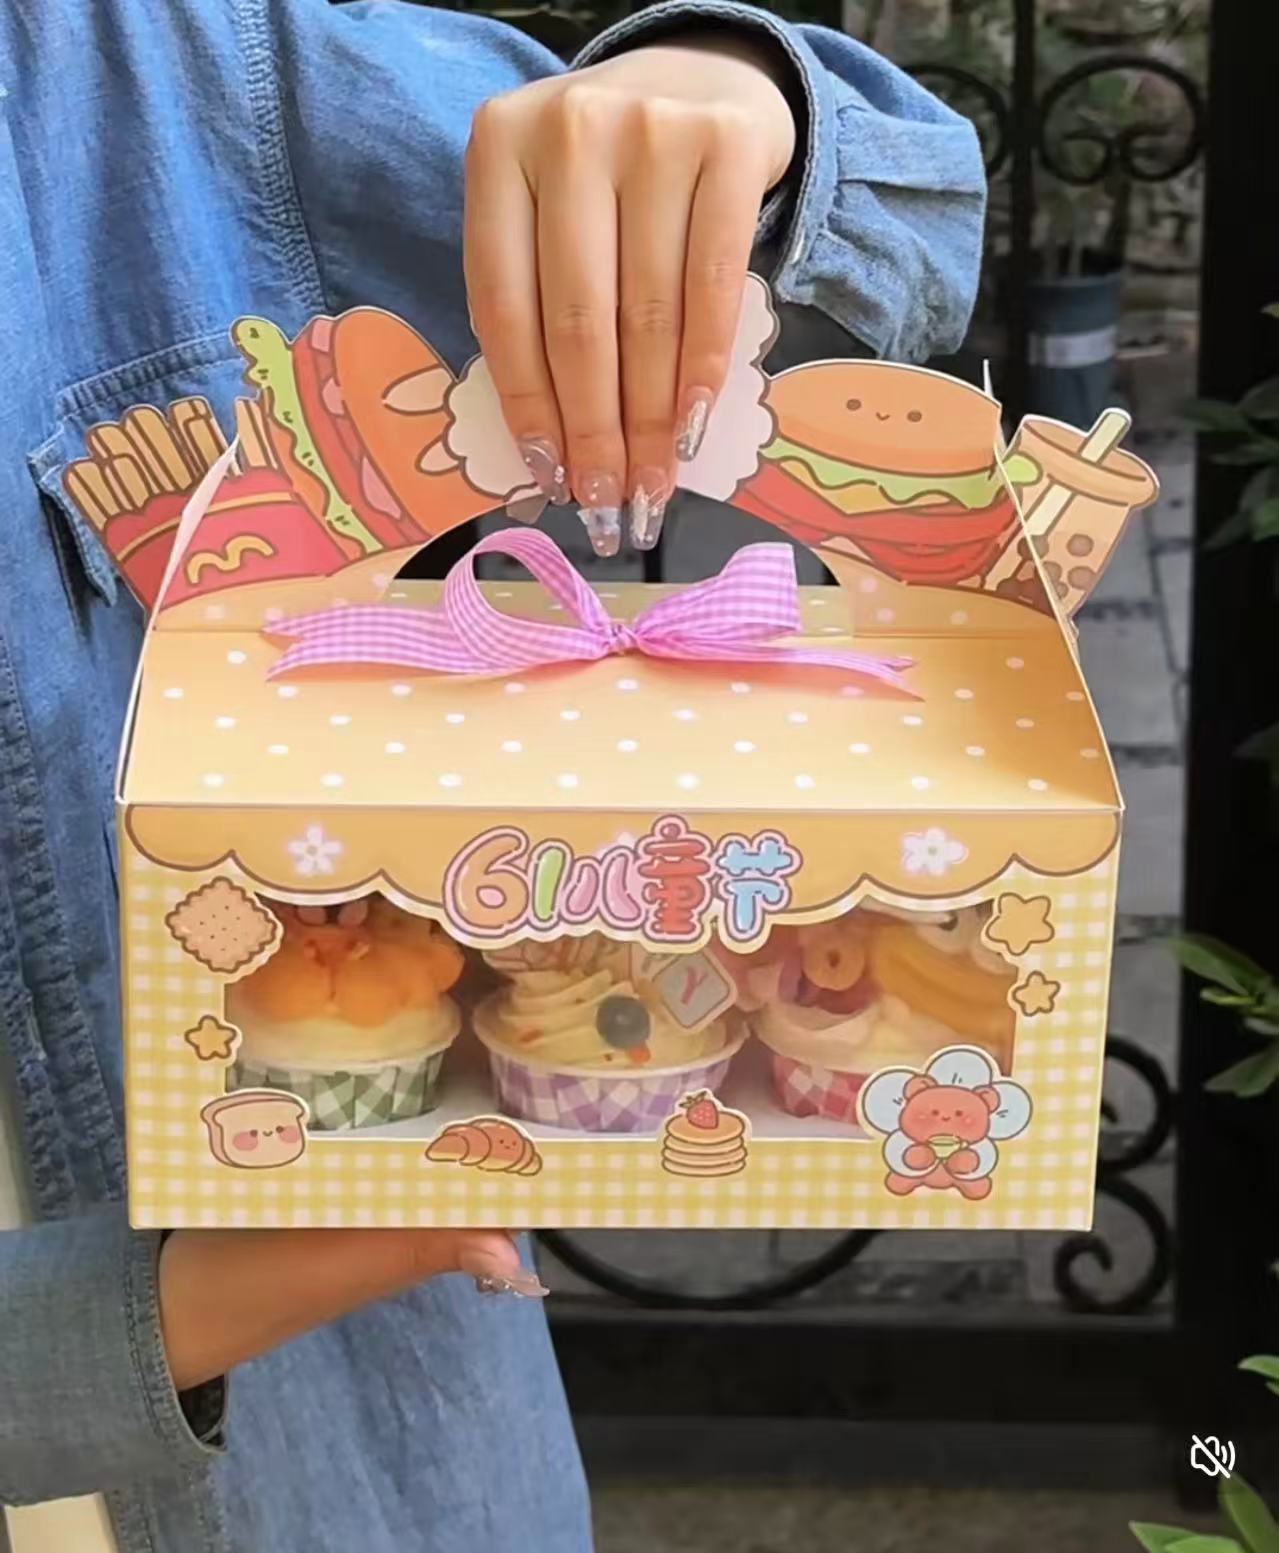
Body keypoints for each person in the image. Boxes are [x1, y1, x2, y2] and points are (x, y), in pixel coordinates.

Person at [0, 1, 984, 1549]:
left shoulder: (145, 74)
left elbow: (902, 188)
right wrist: (156, 1319)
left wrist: (723, 93)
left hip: (357, 1458)